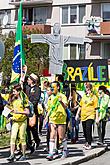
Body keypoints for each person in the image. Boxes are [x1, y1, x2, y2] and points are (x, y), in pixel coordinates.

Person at [45, 81, 68, 160]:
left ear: (58, 87)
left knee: (61, 137)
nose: (52, 89)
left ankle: (65, 150)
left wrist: (61, 101)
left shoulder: (62, 96)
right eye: (51, 87)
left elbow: (65, 107)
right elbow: (49, 109)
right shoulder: (50, 97)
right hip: (53, 118)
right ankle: (51, 153)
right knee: (52, 135)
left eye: (53, 87)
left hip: (61, 119)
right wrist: (47, 118)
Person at [7, 84, 29, 162]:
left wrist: (18, 112)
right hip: (15, 121)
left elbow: (27, 112)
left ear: (19, 91)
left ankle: (23, 154)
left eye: (14, 91)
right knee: (13, 137)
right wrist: (8, 113)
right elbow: (10, 108)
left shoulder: (24, 100)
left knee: (22, 137)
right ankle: (12, 154)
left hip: (23, 121)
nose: (13, 92)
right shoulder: (13, 99)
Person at [76, 83, 98, 150]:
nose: (87, 90)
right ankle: (87, 141)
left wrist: (97, 118)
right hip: (83, 116)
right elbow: (80, 106)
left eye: (89, 88)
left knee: (88, 129)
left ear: (91, 89)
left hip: (90, 115)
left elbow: (96, 108)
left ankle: (89, 143)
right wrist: (77, 114)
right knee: (85, 130)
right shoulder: (84, 97)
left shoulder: (94, 97)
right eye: (86, 88)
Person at [25, 73, 41, 153]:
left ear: (32, 80)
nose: (27, 81)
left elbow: (36, 100)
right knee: (26, 129)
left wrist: (29, 105)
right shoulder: (27, 87)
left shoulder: (37, 89)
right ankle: (29, 144)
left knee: (33, 129)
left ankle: (37, 140)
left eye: (29, 79)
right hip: (26, 112)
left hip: (33, 112)